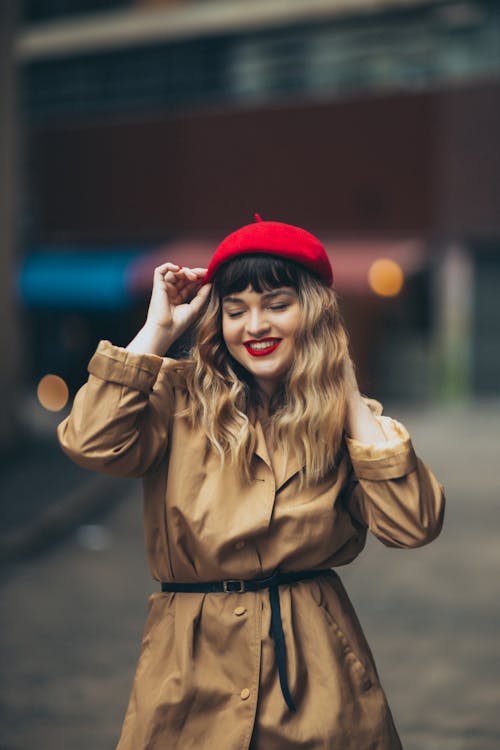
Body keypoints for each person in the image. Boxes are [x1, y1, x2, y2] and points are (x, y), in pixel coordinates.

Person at [57, 216, 445, 750]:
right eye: (235, 311)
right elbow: (91, 443)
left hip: (315, 671)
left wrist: (345, 388)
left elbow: (413, 526)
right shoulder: (176, 399)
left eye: (277, 305)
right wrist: (159, 331)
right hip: (189, 671)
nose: (254, 326)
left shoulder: (351, 424)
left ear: (312, 313)